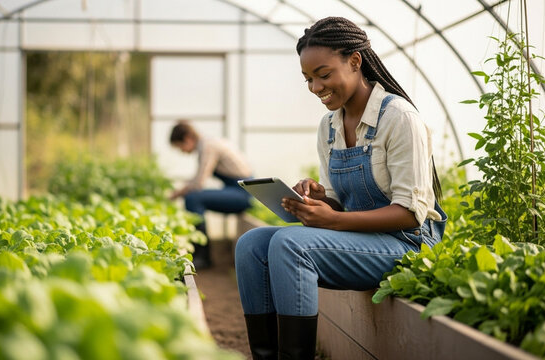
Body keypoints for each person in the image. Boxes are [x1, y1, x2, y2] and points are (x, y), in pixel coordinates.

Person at [234, 17, 448, 360]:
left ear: (354, 61)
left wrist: (330, 221)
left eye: (323, 74)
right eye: (308, 79)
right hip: (364, 241)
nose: (316, 87)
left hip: (408, 244)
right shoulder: (330, 126)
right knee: (251, 245)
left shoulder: (399, 119)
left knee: (290, 244)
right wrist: (321, 200)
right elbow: (337, 203)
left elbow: (410, 214)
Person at [169, 120, 253, 269]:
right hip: (238, 189)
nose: (182, 151)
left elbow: (198, 183)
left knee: (193, 198)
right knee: (193, 197)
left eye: (180, 146)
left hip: (244, 193)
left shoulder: (208, 146)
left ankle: (202, 255)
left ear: (188, 138)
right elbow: (197, 179)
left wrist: (176, 194)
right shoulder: (207, 144)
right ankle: (201, 254)